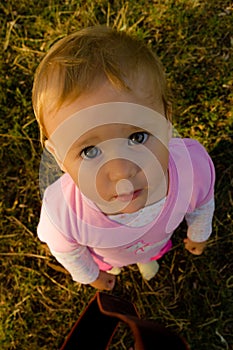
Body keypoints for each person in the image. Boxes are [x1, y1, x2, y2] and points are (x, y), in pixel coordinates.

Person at [32, 26, 215, 291]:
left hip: (155, 241)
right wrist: (90, 274)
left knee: (149, 254)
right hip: (108, 256)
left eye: (138, 137)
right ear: (59, 157)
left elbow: (203, 202)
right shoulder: (61, 213)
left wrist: (199, 233)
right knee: (118, 260)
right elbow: (67, 250)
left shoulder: (193, 169)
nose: (121, 172)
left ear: (166, 122)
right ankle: (122, 264)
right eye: (89, 151)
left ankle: (147, 260)